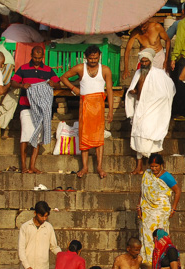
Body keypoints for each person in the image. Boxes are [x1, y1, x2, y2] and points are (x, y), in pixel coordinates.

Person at [61, 46, 114, 179]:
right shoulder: (80, 68)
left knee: (98, 138)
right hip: (85, 105)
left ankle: (99, 167)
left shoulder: (105, 69)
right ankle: (85, 167)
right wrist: (74, 88)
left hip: (99, 106)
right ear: (86, 57)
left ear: (99, 57)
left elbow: (110, 91)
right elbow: (63, 77)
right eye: (91, 58)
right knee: (84, 136)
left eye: (96, 58)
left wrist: (111, 110)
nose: (93, 60)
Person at [11, 44, 59, 174]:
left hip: (41, 108)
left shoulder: (48, 70)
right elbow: (13, 82)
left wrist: (52, 83)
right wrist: (22, 85)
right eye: (35, 57)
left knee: (37, 136)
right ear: (31, 56)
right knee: (26, 134)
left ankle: (32, 165)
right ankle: (23, 166)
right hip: (26, 105)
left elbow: (56, 81)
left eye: (39, 58)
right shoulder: (23, 68)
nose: (37, 60)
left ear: (42, 57)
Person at [127, 48, 176, 174]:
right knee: (138, 135)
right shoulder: (138, 73)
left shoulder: (159, 74)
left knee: (152, 136)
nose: (144, 64)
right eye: (142, 61)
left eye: (146, 61)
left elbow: (169, 89)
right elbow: (136, 89)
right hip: (140, 108)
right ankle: (139, 167)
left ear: (150, 61)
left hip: (154, 110)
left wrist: (155, 101)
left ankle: (155, 166)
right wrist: (134, 92)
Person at [138, 153, 180, 262]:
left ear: (161, 165)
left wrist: (174, 208)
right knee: (146, 235)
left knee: (159, 235)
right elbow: (143, 192)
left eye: (156, 166)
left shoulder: (166, 176)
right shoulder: (147, 174)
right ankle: (147, 261)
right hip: (147, 210)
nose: (154, 169)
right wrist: (139, 207)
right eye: (152, 166)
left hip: (161, 210)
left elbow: (177, 191)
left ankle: (161, 260)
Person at [18, 200, 60, 269]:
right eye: (42, 216)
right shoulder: (25, 227)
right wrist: (27, 266)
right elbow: (21, 249)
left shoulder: (49, 227)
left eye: (46, 216)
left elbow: (54, 247)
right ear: (35, 213)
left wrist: (64, 256)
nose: (44, 219)